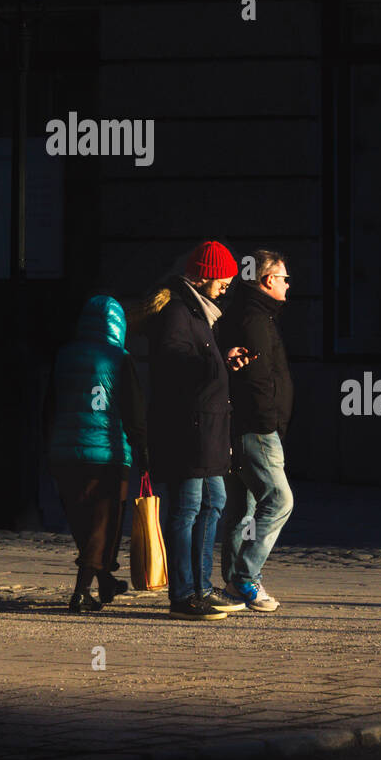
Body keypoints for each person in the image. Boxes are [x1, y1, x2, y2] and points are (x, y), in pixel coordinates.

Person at [143, 240, 250, 621]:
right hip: (187, 431)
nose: (226, 285)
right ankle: (185, 593)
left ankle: (201, 587)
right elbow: (175, 362)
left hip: (207, 429)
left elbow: (198, 360)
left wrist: (224, 360)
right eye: (223, 278)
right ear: (204, 275)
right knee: (187, 509)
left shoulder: (199, 312)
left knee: (213, 503)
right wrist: (211, 364)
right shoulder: (177, 311)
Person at [44, 294, 148, 613]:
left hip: (65, 455)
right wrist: (143, 450)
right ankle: (80, 592)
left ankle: (104, 583)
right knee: (105, 524)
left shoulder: (64, 356)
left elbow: (50, 405)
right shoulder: (119, 358)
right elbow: (134, 412)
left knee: (83, 522)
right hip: (107, 455)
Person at [216, 250, 294, 612]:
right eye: (283, 278)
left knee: (242, 507)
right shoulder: (255, 318)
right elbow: (258, 378)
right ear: (266, 281)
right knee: (279, 500)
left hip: (239, 425)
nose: (287, 284)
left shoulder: (248, 314)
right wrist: (268, 424)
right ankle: (244, 579)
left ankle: (234, 582)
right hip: (255, 429)